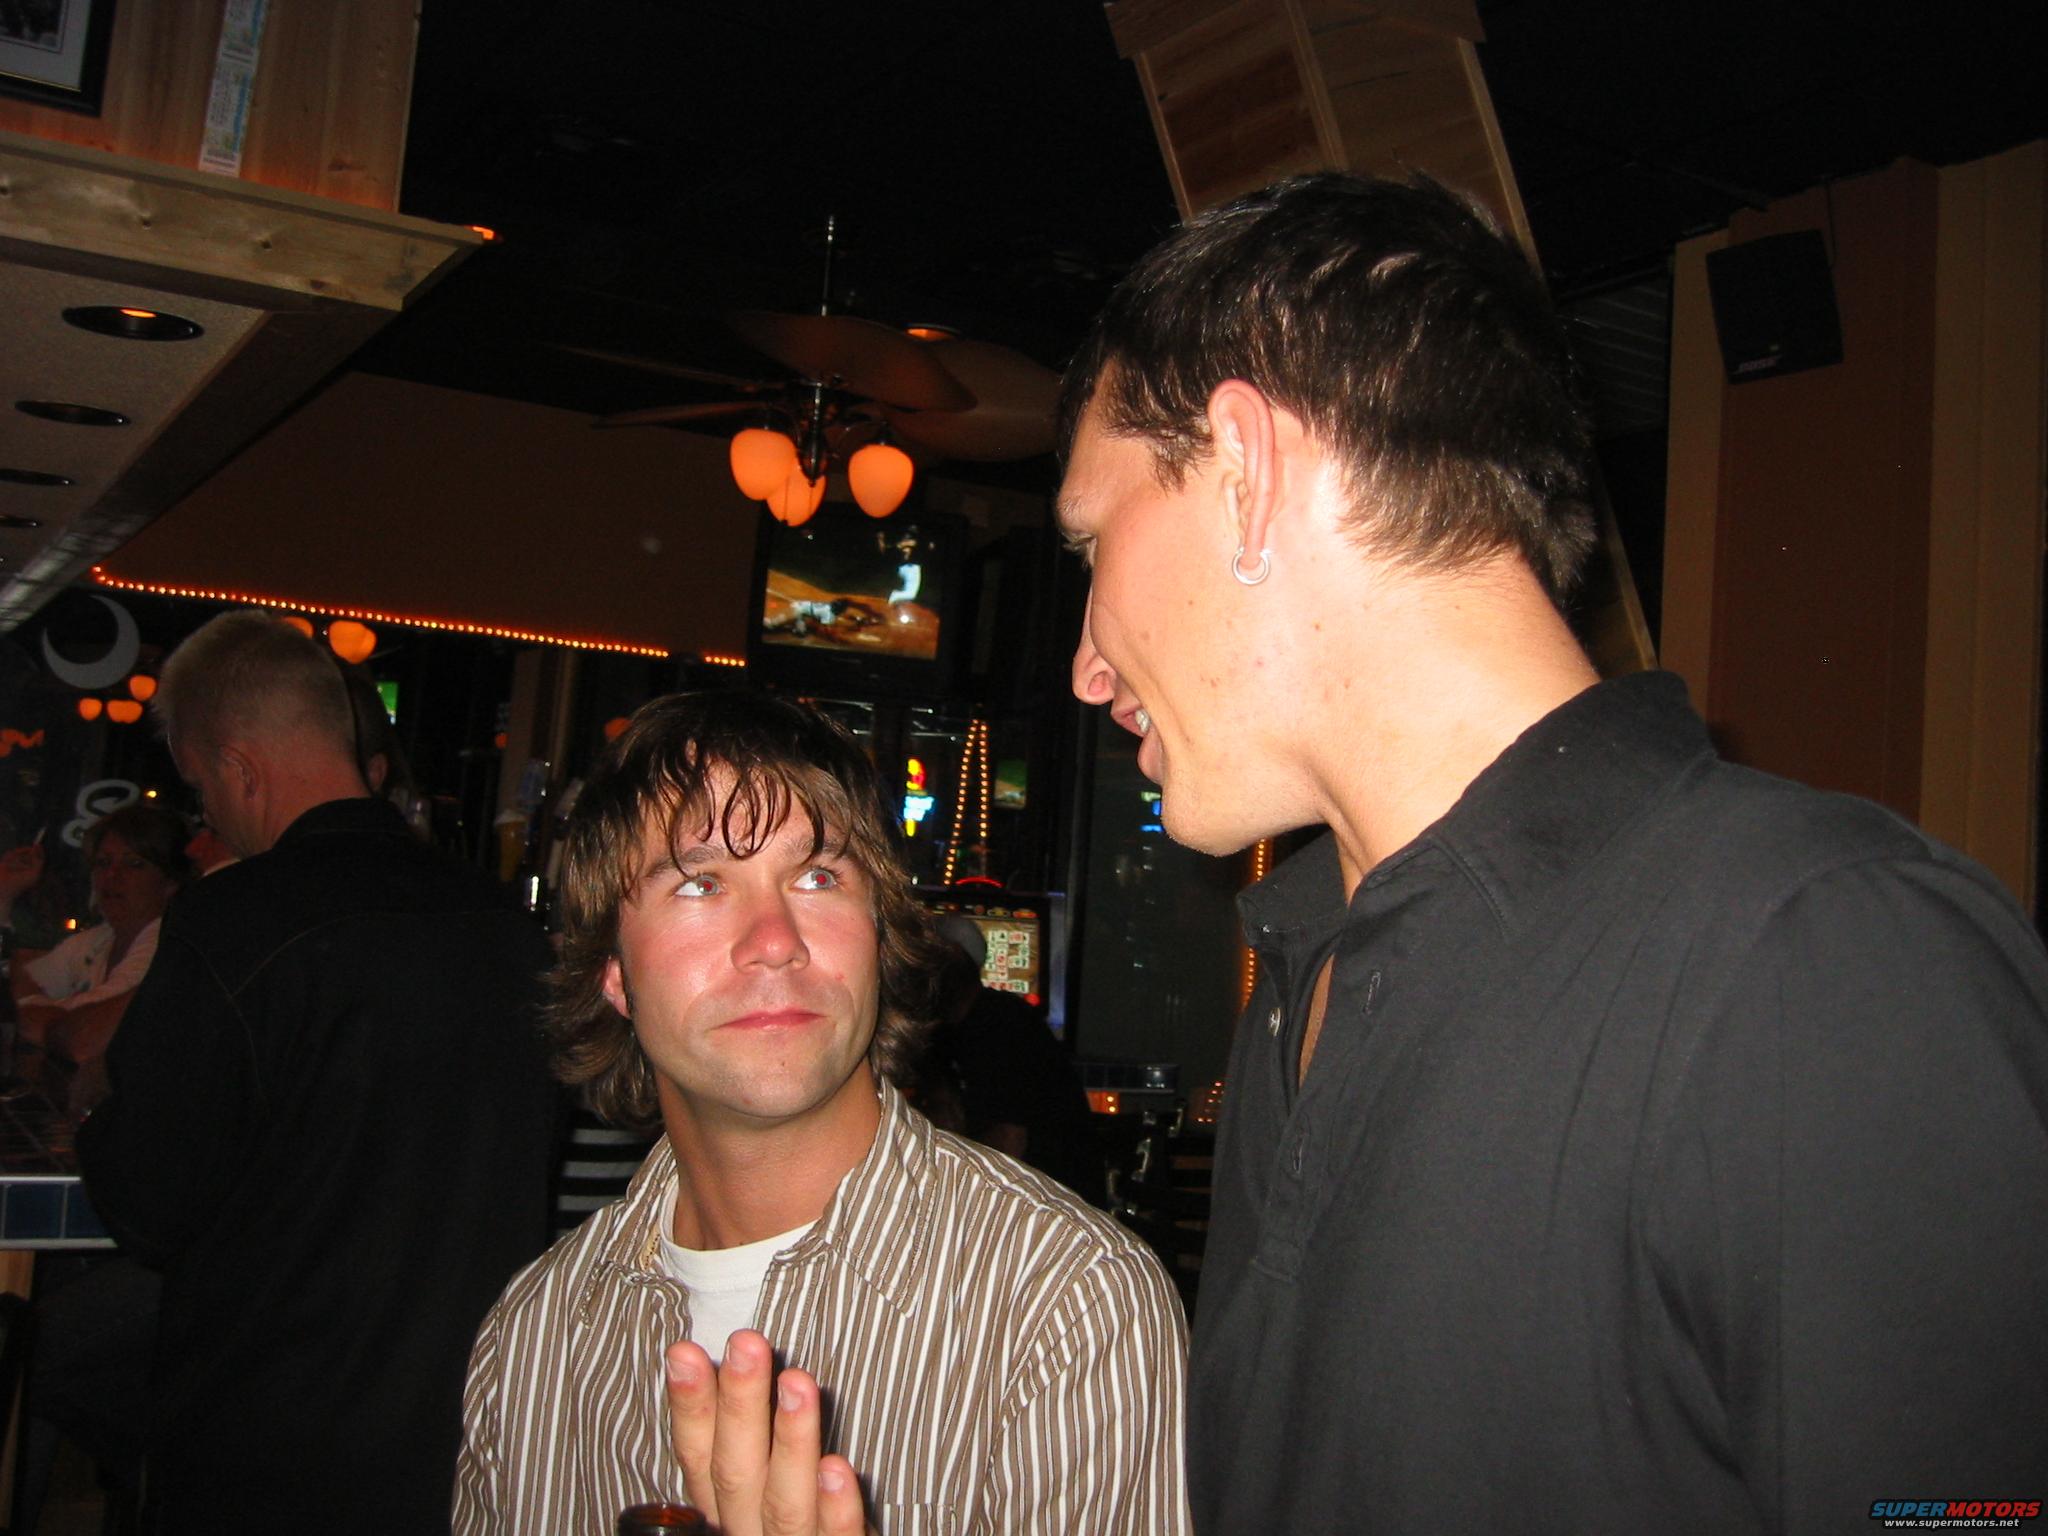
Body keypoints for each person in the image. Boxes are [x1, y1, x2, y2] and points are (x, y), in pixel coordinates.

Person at [1056, 172, 2048, 1533]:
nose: (1085, 666)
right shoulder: (1298, 981)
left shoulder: (1817, 953)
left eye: (1092, 540)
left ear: (1245, 472)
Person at [454, 690, 1189, 1535]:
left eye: (818, 877)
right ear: (613, 972)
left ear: (879, 938)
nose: (775, 940)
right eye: (700, 883)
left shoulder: (1068, 1308)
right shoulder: (532, 1340)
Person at [74, 609, 558, 1535]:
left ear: (240, 768)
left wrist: (94, 1109)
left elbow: (147, 1203)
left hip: (265, 1443)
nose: (206, 817)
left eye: (201, 787)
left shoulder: (232, 923)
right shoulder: (506, 926)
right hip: (468, 1435)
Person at [923, 916, 1106, 1205]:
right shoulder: (944, 1033)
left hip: (1053, 1200)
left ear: (954, 959)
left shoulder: (1004, 1025)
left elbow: (1009, 1141)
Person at [6, 801, 191, 1069]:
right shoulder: (100, 939)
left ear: (170, 882)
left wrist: (29, 1012)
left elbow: (85, 1028)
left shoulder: (167, 944)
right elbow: (29, 982)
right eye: (103, 863)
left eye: (134, 864)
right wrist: (6, 893)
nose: (112, 875)